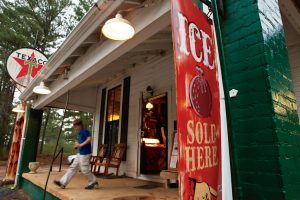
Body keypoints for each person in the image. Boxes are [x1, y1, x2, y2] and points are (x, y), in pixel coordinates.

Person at [53, 119, 98, 189]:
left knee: (84, 170)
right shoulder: (79, 134)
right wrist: (77, 145)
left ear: (80, 125)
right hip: (80, 154)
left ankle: (94, 182)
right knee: (72, 168)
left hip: (85, 154)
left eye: (75, 126)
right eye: (74, 126)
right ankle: (62, 183)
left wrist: (80, 145)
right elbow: (80, 143)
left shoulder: (85, 131)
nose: (75, 128)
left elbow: (89, 139)